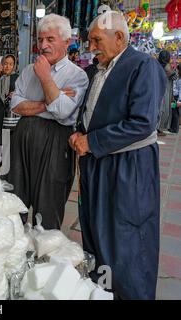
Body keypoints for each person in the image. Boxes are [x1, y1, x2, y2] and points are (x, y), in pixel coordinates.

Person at [70, 11, 166, 300]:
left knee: (126, 238)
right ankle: (101, 291)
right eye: (90, 41)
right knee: (95, 229)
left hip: (128, 167)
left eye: (97, 40)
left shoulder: (142, 67)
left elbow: (142, 123)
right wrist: (79, 132)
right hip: (98, 163)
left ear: (120, 38)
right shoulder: (98, 69)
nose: (91, 47)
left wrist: (92, 141)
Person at [8, 14, 89, 230]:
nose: (43, 45)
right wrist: (49, 101)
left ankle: (44, 258)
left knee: (48, 206)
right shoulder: (27, 70)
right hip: (22, 140)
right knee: (14, 202)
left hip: (56, 144)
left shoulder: (77, 76)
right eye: (40, 39)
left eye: (50, 39)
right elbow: (15, 105)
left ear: (66, 42)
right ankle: (14, 252)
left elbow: (62, 112)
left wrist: (45, 77)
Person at [157, 50, 177, 136]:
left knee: (158, 109)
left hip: (157, 89)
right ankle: (158, 128)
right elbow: (175, 76)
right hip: (165, 91)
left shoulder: (156, 65)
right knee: (163, 110)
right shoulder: (167, 67)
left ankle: (157, 128)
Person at [170, 64, 181, 134]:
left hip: (177, 98)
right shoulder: (178, 78)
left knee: (175, 113)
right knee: (174, 112)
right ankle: (173, 128)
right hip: (175, 97)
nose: (176, 71)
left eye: (178, 69)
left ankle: (175, 129)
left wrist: (179, 101)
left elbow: (180, 90)